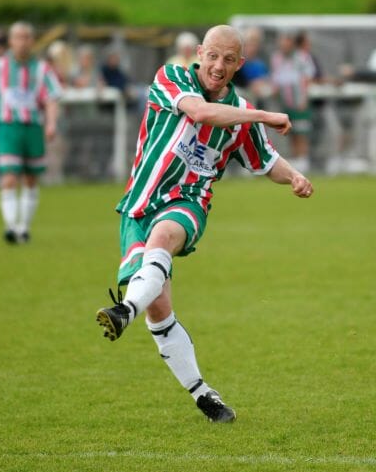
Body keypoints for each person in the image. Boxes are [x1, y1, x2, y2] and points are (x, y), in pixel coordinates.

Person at [95, 25, 313, 422]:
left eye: (229, 60)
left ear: (239, 65)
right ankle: (203, 395)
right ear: (200, 53)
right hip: (138, 206)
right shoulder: (171, 77)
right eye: (213, 55)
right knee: (159, 310)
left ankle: (124, 309)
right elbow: (199, 111)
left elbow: (265, 161)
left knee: (164, 237)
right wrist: (263, 113)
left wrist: (294, 176)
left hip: (188, 203)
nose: (218, 66)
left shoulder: (240, 113)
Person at [0, 21, 61, 244]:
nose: (22, 42)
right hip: (8, 127)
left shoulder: (42, 68)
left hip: (33, 127)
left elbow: (52, 97)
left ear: (32, 41)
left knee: (30, 178)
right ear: (10, 40)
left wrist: (51, 123)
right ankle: (10, 227)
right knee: (8, 177)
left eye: (26, 37)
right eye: (18, 37)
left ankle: (23, 227)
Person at [270, 31, 315, 171]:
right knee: (290, 132)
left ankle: (303, 161)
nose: (284, 44)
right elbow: (276, 78)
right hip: (283, 102)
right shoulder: (276, 58)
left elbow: (308, 77)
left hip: (299, 102)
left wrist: (303, 98)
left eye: (287, 41)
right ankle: (296, 161)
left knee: (301, 131)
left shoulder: (302, 57)